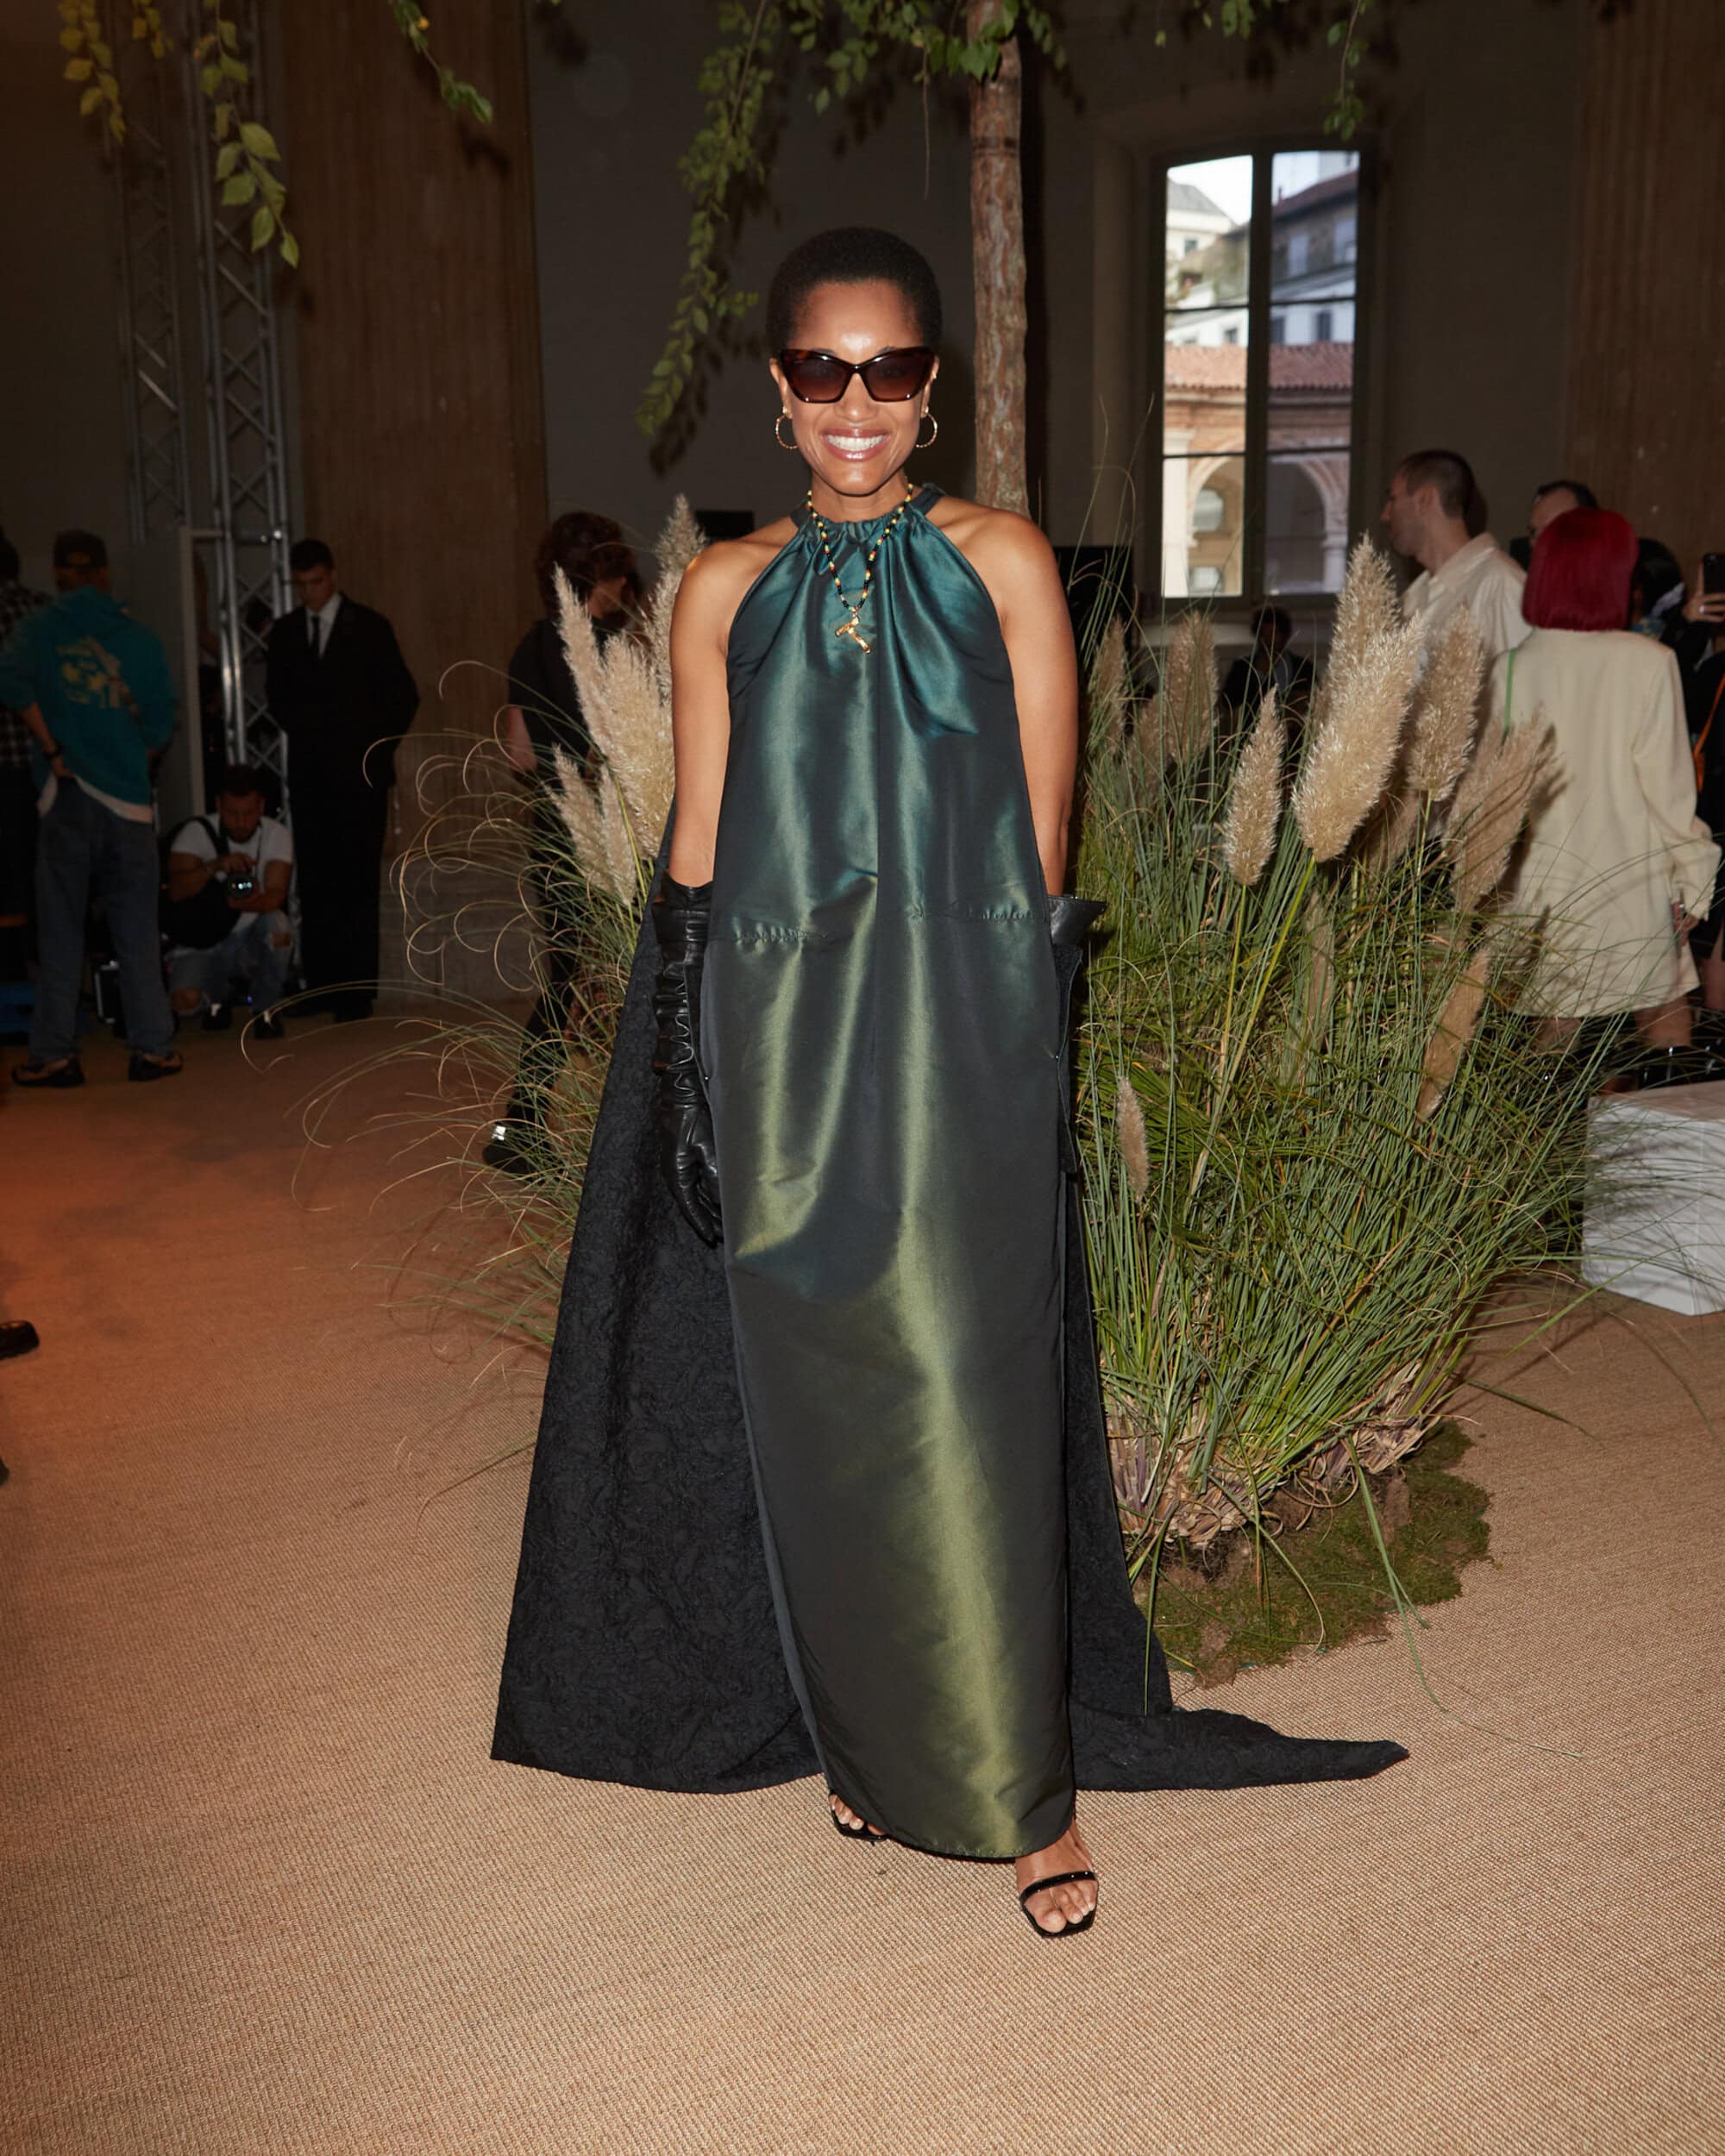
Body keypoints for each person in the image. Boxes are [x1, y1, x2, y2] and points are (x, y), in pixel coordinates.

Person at [492, 225, 1402, 1943]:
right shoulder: (721, 588)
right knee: (817, 1412)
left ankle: (1025, 1796)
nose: (856, 400)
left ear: (932, 390)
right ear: (778, 389)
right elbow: (697, 844)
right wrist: (680, 1071)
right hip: (776, 1043)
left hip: (960, 1040)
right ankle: (868, 1740)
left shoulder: (1003, 562)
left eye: (888, 368)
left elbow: (1050, 830)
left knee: (970, 1400)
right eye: (822, 369)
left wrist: (1024, 1042)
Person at [1489, 507, 1719, 1052]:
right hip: (1631, 882)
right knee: (1664, 1025)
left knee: (1552, 1049)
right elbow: (1668, 793)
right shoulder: (1649, 661)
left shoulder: (1511, 668)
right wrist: (1692, 880)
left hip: (1541, 891)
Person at [484, 515, 637, 1174]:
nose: (626, 584)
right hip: (610, 833)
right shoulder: (616, 650)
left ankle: (519, 1124)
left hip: (552, 827)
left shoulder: (531, 645)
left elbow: (518, 755)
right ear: (605, 572)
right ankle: (555, 1124)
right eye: (620, 571)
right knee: (615, 978)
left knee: (568, 975)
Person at [0, 530, 181, 1087]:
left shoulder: (37, 632)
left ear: (58, 574)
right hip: (127, 805)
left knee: (60, 930)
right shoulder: (137, 639)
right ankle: (152, 1048)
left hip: (65, 796)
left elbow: (9, 681)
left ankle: (55, 1052)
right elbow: (161, 721)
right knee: (137, 928)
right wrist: (130, 761)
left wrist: (52, 747)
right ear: (104, 573)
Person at [264, 538, 417, 1022]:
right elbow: (277, 698)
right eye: (301, 585)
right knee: (315, 879)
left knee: (356, 880)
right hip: (310, 775)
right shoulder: (287, 633)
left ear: (332, 577)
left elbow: (403, 697)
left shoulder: (369, 627)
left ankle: (355, 990)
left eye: (316, 582)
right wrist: (312, 733)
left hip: (359, 778)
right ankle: (321, 984)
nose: (309, 592)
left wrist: (371, 752)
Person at [163, 761, 294, 1037]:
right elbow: (176, 891)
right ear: (219, 806)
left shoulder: (276, 834)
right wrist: (216, 866)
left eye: (249, 813)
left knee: (279, 927)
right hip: (203, 938)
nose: (242, 822)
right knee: (185, 1004)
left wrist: (244, 902)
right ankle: (217, 998)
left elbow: (275, 895)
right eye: (233, 814)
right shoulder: (196, 832)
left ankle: (266, 1008)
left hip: (247, 940)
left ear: (261, 806)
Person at [1381, 448, 1528, 663]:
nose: (1385, 515)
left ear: (1424, 500)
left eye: (1393, 499)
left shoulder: (1500, 584)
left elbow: (1520, 681)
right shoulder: (1416, 596)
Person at [0, 530, 50, 981]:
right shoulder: (42, 609)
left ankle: (13, 975)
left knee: (8, 887)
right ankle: (46, 972)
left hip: (9, 770)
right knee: (44, 878)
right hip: (45, 766)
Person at [1220, 604, 1314, 736]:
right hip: (1250, 738)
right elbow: (1227, 704)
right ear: (1257, 635)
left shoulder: (1303, 667)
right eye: (1265, 635)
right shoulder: (1242, 668)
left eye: (1275, 634)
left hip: (1291, 740)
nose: (1269, 641)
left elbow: (1309, 706)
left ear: (1285, 636)